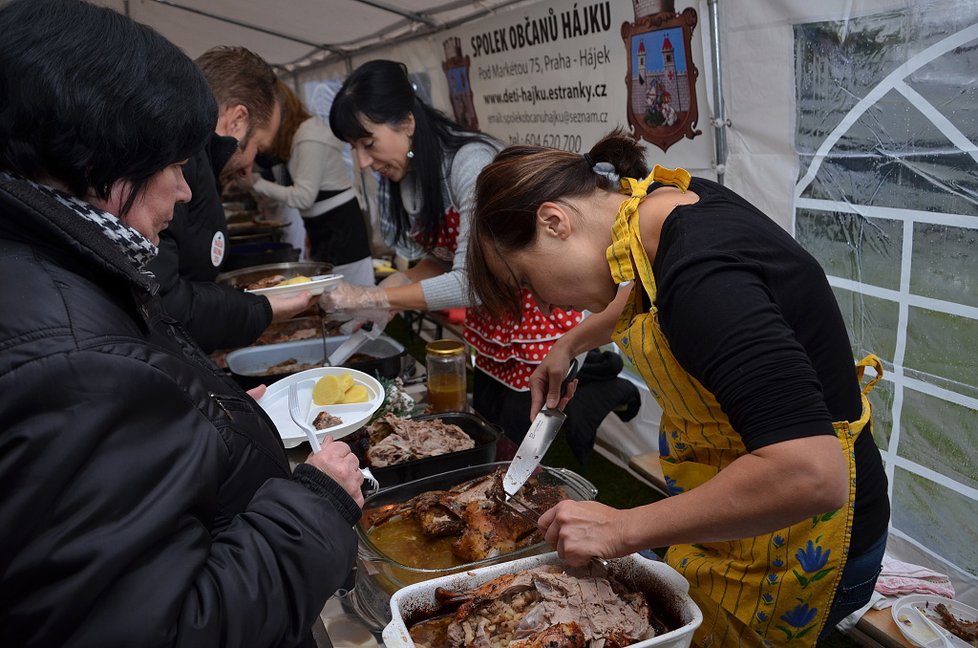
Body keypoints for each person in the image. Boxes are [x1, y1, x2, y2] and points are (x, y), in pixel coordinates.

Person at [0, 2, 362, 646]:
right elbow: (167, 626)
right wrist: (318, 502)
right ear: (100, 165)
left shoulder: (47, 273)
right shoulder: (73, 365)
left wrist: (217, 413)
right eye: (170, 163)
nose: (187, 189)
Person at [465, 131, 891, 646]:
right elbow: (649, 288)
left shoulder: (704, 274)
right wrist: (573, 340)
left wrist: (622, 529)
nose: (549, 306)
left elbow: (808, 475)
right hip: (742, 515)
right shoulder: (658, 214)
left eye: (528, 283)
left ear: (554, 222)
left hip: (807, 532)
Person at [320, 59, 593, 439]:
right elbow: (444, 257)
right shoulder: (412, 174)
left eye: (368, 144)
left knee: (517, 446)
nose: (363, 162)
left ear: (408, 124)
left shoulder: (471, 164)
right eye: (354, 148)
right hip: (492, 326)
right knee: (485, 433)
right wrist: (389, 291)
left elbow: (472, 283)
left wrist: (379, 297)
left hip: (536, 326)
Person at [145, 46, 316, 353]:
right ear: (237, 121)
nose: (249, 168)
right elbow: (166, 301)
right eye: (258, 150)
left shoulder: (199, 166)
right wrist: (262, 308)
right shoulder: (184, 165)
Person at [238, 81, 374, 286]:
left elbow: (303, 197)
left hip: (341, 226)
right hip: (322, 226)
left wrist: (255, 182)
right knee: (331, 296)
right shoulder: (299, 136)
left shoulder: (309, 136)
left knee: (355, 295)